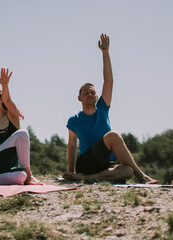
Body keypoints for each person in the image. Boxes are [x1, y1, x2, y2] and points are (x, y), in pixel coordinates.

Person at [62, 34, 158, 184]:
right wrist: (71, 171)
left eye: (92, 92)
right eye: (85, 93)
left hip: (105, 165)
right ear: (79, 98)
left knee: (128, 171)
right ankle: (142, 176)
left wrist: (105, 53)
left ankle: (87, 178)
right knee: (112, 136)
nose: (89, 94)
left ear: (97, 96)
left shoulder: (102, 108)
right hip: (86, 163)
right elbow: (72, 145)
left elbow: (109, 81)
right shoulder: (74, 120)